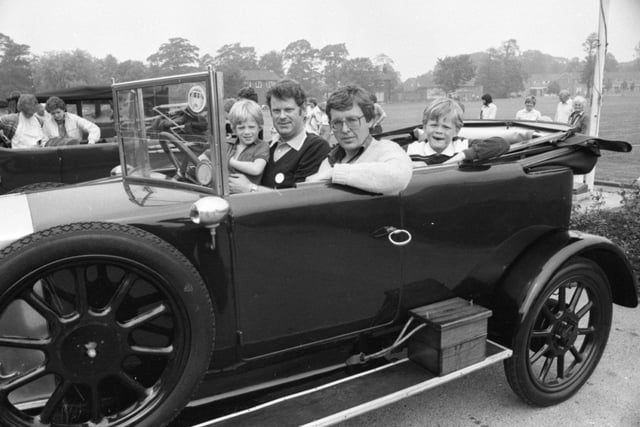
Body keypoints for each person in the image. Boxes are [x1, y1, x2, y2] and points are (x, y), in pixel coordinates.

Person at [228, 79, 330, 193]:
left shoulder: (315, 147)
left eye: (288, 110)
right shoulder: (266, 147)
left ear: (303, 110)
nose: (282, 116)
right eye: (276, 111)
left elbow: (300, 198)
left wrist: (250, 188)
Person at [306, 85, 412, 194]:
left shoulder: (386, 149)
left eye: (352, 120)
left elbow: (398, 177)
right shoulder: (329, 161)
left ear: (370, 120)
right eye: (337, 123)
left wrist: (335, 173)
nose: (345, 129)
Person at [407, 97, 511, 167]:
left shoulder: (462, 145)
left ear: (456, 131)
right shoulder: (412, 150)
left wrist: (463, 155)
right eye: (434, 125)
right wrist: (408, 165)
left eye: (446, 127)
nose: (439, 131)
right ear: (424, 126)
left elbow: (502, 144)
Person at [226, 99, 270, 185]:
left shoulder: (261, 146)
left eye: (251, 127)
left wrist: (229, 161)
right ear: (234, 129)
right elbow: (204, 158)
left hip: (247, 196)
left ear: (259, 127)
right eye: (241, 128)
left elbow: (256, 169)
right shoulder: (227, 145)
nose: (247, 132)